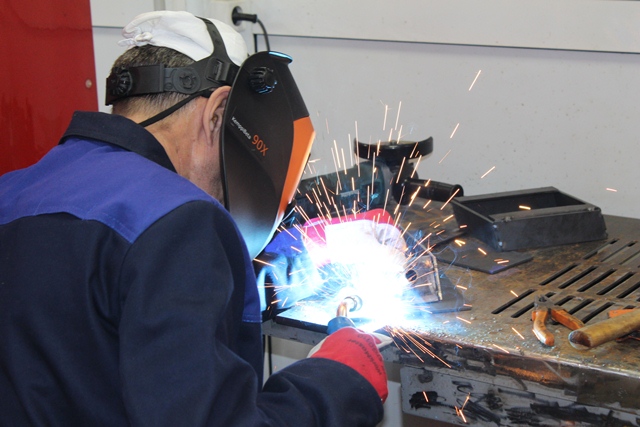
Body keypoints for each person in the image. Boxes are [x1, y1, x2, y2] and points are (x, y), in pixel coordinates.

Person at [0, 10, 387, 426]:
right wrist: (340, 379)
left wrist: (309, 255)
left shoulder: (14, 191)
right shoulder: (180, 216)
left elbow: (139, 307)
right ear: (218, 113)